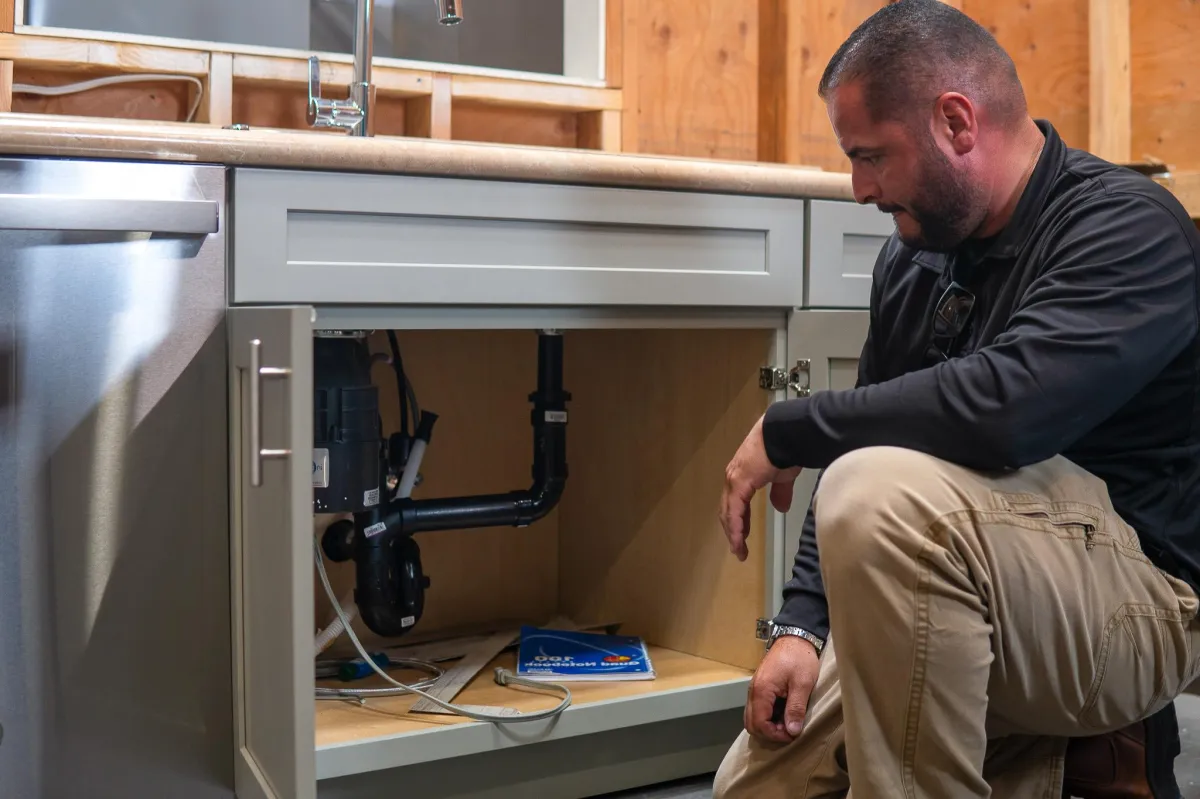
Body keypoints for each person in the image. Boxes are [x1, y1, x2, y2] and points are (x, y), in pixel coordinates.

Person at [713, 1, 1200, 797]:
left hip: (1138, 606)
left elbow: (1008, 410)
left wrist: (791, 424)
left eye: (872, 156)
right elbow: (872, 433)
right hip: (962, 581)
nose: (858, 187)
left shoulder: (1125, 227)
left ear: (956, 122)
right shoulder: (913, 259)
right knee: (752, 787)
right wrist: (803, 624)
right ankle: (1058, 756)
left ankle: (1101, 734)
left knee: (880, 494)